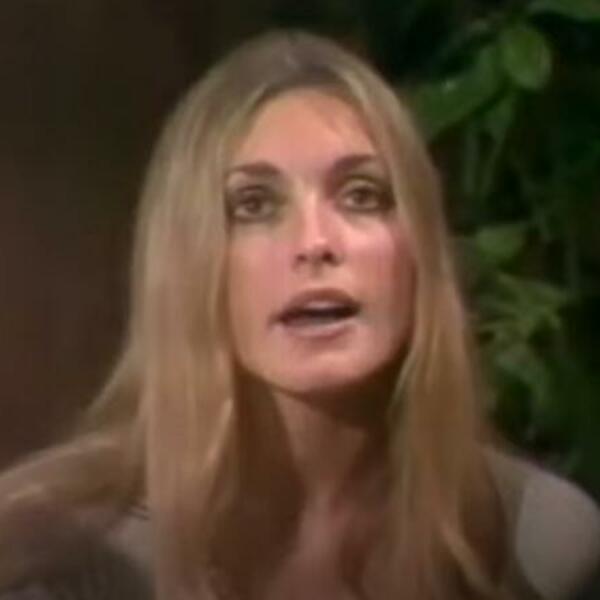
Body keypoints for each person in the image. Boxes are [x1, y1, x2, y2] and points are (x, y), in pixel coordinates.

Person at [0, 30, 598, 600]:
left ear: (419, 247)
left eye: (361, 196)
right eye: (254, 205)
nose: (314, 242)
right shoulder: (50, 548)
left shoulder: (537, 544)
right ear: (189, 260)